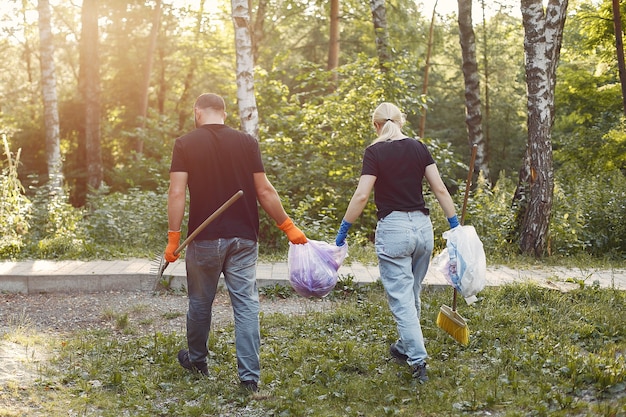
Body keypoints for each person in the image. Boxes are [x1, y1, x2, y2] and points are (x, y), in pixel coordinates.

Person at [165, 93, 307, 392]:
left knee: (200, 302)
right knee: (245, 305)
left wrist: (173, 237)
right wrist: (287, 225)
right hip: (243, 238)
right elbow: (265, 191)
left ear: (197, 113)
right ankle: (249, 378)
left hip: (203, 240)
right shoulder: (246, 142)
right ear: (224, 114)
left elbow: (177, 193)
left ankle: (197, 360)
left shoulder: (185, 144)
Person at [334, 102, 459, 383]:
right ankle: (403, 347)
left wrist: (343, 230)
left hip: (394, 230)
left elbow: (362, 196)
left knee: (402, 299)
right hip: (423, 228)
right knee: (411, 291)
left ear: (376, 125)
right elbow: (439, 188)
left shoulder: (375, 151)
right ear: (401, 122)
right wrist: (455, 225)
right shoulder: (418, 147)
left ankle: (418, 360)